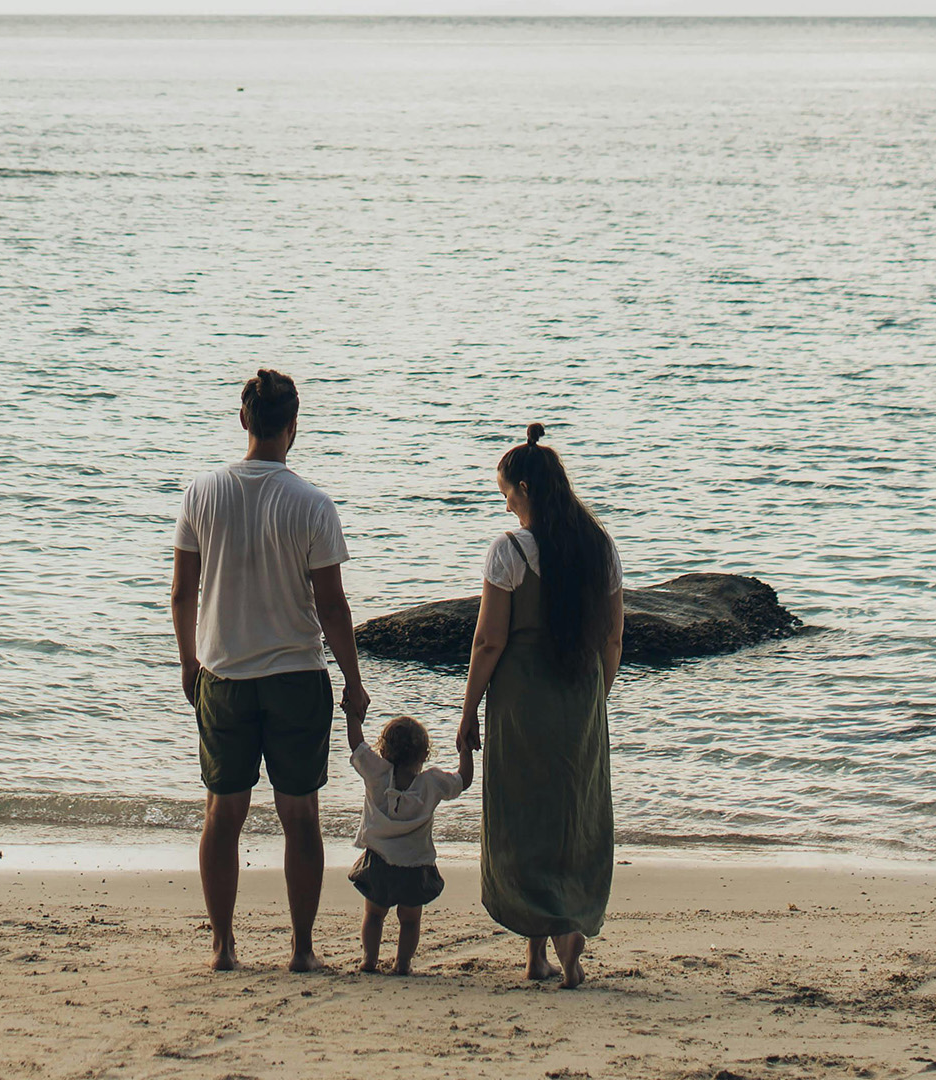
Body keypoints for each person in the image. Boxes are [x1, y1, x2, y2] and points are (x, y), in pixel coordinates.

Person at [170, 369, 370, 973]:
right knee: (300, 815)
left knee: (222, 813)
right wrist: (354, 680)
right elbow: (332, 606)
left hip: (224, 673)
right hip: (295, 676)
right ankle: (302, 949)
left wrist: (188, 661)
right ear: (292, 426)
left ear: (243, 421)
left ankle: (223, 947)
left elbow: (183, 591)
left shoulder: (202, 492)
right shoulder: (311, 502)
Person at [457, 423, 624, 989]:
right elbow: (613, 640)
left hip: (521, 699)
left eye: (505, 490)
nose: (504, 500)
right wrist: (596, 697)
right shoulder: (599, 547)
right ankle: (567, 939)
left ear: (524, 486)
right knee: (572, 815)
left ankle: (536, 953)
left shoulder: (508, 552)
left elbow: (488, 641)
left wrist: (467, 711)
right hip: (580, 692)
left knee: (524, 816)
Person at [346, 714, 469, 976]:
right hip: (415, 865)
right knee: (410, 920)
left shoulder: (377, 774)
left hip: (378, 862)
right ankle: (402, 963)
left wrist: (352, 714)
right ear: (425, 753)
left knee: (374, 914)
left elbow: (356, 745)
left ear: (384, 749)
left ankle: (369, 959)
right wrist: (465, 747)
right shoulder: (432, 783)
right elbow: (464, 780)